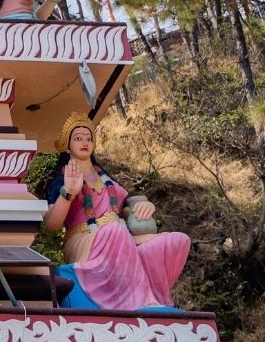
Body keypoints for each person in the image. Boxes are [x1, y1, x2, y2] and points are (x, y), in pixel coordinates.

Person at [43, 112, 190, 310]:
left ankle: (155, 298)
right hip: (85, 239)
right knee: (114, 231)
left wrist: (145, 207)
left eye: (88, 138)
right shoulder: (63, 178)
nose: (85, 142)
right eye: (78, 138)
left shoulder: (107, 178)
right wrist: (68, 192)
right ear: (67, 146)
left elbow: (128, 209)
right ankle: (142, 302)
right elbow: (51, 225)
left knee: (176, 241)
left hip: (122, 235)